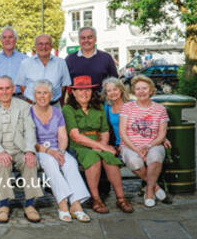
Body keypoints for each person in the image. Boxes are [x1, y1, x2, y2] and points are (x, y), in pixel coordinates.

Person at [62, 76, 133, 214]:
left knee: (109, 158)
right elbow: (75, 136)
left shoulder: (98, 107)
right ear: (73, 92)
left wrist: (102, 145)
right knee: (93, 158)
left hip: (99, 143)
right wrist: (102, 147)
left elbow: (105, 130)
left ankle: (121, 198)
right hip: (79, 146)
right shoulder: (68, 108)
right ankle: (96, 199)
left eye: (88, 90)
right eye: (80, 90)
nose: (85, 93)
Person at [0, 76, 43, 223]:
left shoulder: (23, 106)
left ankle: (29, 204)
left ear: (13, 89)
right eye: (1, 89)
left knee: (30, 162)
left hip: (19, 148)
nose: (4, 92)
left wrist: (29, 150)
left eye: (7, 88)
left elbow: (29, 130)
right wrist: (0, 152)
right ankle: (4, 204)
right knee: (3, 163)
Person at [30, 80, 90, 222]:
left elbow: (63, 137)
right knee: (50, 163)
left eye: (46, 93)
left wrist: (61, 153)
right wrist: (50, 152)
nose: (42, 96)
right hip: (38, 150)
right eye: (39, 93)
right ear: (34, 95)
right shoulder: (28, 112)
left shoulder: (57, 112)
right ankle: (63, 204)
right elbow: (29, 140)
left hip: (57, 149)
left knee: (70, 162)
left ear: (51, 95)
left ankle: (76, 205)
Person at [119, 75, 169, 207]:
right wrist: (136, 149)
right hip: (130, 145)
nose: (141, 91)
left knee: (156, 156)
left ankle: (149, 192)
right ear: (134, 91)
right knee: (134, 161)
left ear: (151, 90)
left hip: (153, 144)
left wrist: (148, 146)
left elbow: (162, 134)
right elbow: (122, 133)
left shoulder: (160, 109)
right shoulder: (127, 107)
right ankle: (155, 187)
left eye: (144, 88)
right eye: (138, 89)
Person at [16, 34, 71, 107]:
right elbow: (22, 86)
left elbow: (63, 86)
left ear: (51, 46)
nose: (44, 47)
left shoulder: (61, 63)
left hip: (54, 107)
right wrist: (30, 100)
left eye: (47, 44)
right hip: (31, 107)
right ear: (35, 46)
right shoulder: (25, 63)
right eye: (40, 44)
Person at [65, 27, 118, 93]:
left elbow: (115, 82)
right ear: (79, 40)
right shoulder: (69, 59)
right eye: (83, 38)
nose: (86, 40)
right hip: (76, 102)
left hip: (101, 101)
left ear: (95, 39)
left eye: (90, 37)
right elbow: (64, 85)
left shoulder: (106, 58)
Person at [0, 27, 27, 94]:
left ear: (15, 39)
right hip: (0, 98)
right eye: (4, 37)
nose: (7, 40)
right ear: (1, 40)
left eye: (10, 37)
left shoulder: (25, 60)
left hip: (20, 98)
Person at [101, 77, 131, 147]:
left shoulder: (131, 104)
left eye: (115, 89)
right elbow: (104, 127)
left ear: (121, 90)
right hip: (119, 144)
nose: (112, 93)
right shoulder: (107, 107)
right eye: (109, 91)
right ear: (106, 94)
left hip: (136, 141)